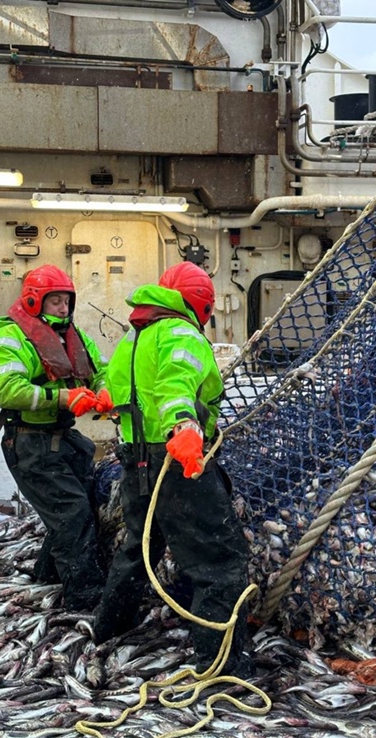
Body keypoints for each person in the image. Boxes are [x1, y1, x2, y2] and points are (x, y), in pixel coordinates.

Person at [92, 261, 252, 677]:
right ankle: (223, 666)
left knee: (139, 550)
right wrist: (184, 425)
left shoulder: (134, 336)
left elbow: (118, 387)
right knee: (218, 560)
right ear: (201, 308)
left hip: (134, 462)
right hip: (177, 461)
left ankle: (107, 629)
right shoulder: (182, 334)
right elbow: (174, 384)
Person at [0, 264, 114, 611]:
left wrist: (103, 391)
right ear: (33, 301)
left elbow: (100, 370)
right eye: (54, 301)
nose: (62, 308)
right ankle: (84, 599)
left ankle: (47, 577)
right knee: (72, 514)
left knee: (79, 506)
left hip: (63, 439)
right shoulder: (9, 339)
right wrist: (65, 398)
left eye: (66, 300)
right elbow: (10, 391)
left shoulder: (75, 335)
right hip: (29, 443)